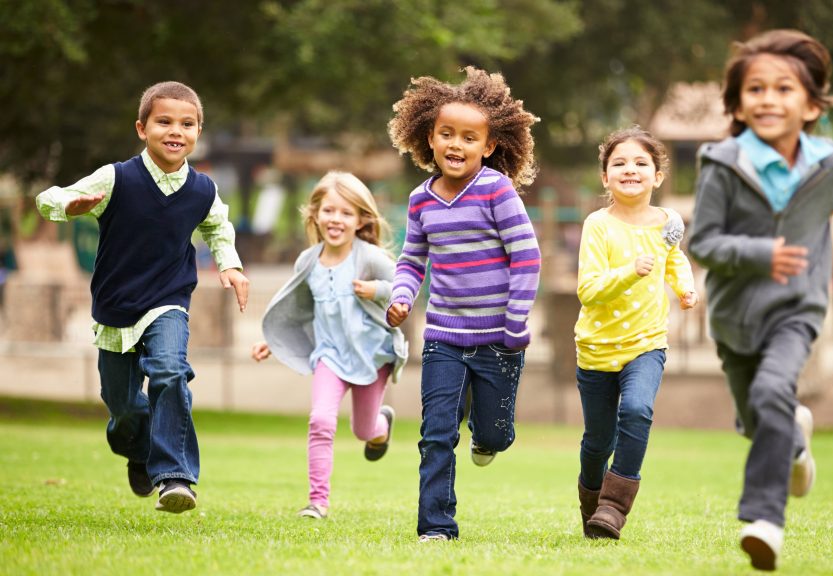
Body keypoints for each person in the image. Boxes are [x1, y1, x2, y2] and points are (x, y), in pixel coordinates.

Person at [687, 29, 833, 570]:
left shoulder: (832, 168)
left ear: (810, 106)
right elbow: (703, 242)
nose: (768, 99)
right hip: (734, 317)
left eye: (784, 89)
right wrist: (760, 254)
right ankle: (796, 447)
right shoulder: (723, 164)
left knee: (773, 390)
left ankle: (765, 520)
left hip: (796, 311)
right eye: (755, 89)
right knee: (756, 418)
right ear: (737, 103)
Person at [36, 81, 250, 513]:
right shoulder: (116, 178)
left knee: (170, 371)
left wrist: (230, 264)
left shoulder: (203, 190)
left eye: (187, 124)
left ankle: (175, 478)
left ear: (198, 131)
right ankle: (139, 450)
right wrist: (70, 207)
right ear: (141, 128)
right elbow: (49, 198)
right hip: (115, 306)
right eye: (164, 121)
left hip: (169, 300)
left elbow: (217, 228)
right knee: (124, 409)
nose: (176, 131)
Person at [386, 66, 541, 542]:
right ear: (427, 138)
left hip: (499, 338)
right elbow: (412, 260)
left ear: (489, 146)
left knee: (494, 436)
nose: (456, 144)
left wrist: (515, 324)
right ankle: (436, 526)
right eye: (446, 134)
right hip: (444, 339)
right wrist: (401, 296)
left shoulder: (496, 190)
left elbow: (527, 257)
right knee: (436, 433)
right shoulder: (420, 201)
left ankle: (487, 430)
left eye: (469, 137)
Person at [251, 171, 408, 520]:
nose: (336, 219)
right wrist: (273, 341)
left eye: (346, 213)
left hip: (372, 356)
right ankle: (317, 502)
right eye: (329, 211)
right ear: (315, 214)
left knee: (363, 430)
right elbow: (298, 310)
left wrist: (376, 291)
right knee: (321, 420)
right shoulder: (307, 262)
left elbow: (403, 287)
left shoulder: (369, 258)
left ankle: (380, 426)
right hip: (330, 357)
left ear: (361, 220)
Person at [574, 127, 699, 540]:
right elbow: (588, 290)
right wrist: (630, 272)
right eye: (620, 163)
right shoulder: (598, 225)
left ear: (658, 176)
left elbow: (674, 260)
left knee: (637, 411)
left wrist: (686, 287)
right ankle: (591, 502)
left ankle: (613, 507)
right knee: (597, 441)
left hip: (646, 343)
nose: (631, 169)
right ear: (605, 177)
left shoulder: (669, 222)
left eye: (641, 163)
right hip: (596, 349)